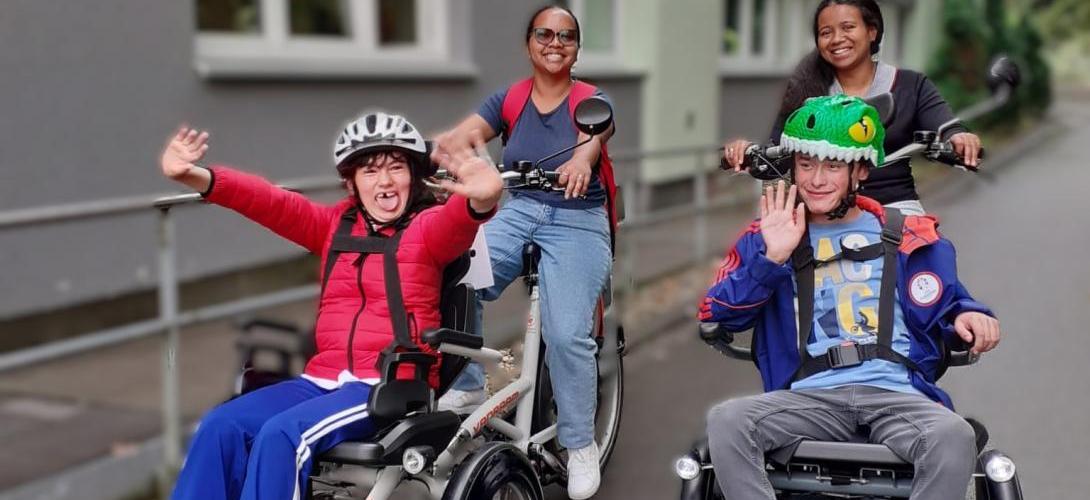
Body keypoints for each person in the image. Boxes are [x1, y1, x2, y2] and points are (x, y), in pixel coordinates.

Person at [161, 112, 502, 500]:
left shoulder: (426, 229)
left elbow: (462, 218)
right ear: (351, 182)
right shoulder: (334, 226)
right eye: (371, 171)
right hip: (322, 379)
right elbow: (268, 201)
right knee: (221, 425)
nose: (386, 181)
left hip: (389, 384)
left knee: (283, 437)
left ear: (414, 176)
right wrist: (195, 176)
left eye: (396, 167)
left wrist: (484, 195)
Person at [700, 95, 1001, 499]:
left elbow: (947, 302)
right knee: (727, 420)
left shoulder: (909, 234)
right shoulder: (769, 234)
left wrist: (970, 315)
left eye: (832, 166)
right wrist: (772, 257)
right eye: (805, 165)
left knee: (954, 435)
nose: (816, 179)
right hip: (810, 395)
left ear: (859, 170)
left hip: (896, 393)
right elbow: (717, 312)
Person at [430, 5, 616, 499]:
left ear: (577, 47)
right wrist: (439, 154)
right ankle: (468, 380)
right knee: (457, 271)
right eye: (545, 34)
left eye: (567, 36)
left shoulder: (590, 98)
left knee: (566, 333)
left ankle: (580, 445)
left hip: (578, 219)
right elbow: (462, 136)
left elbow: (593, 139)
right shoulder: (510, 97)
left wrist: (581, 159)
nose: (556, 43)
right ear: (529, 42)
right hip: (519, 211)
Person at [722, 0, 982, 215]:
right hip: (822, 211)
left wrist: (959, 138)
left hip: (895, 209)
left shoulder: (911, 85)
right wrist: (745, 152)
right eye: (826, 32)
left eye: (848, 27)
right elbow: (776, 149)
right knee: (771, 266)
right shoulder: (806, 90)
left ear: (872, 31)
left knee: (931, 266)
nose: (837, 39)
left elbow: (946, 125)